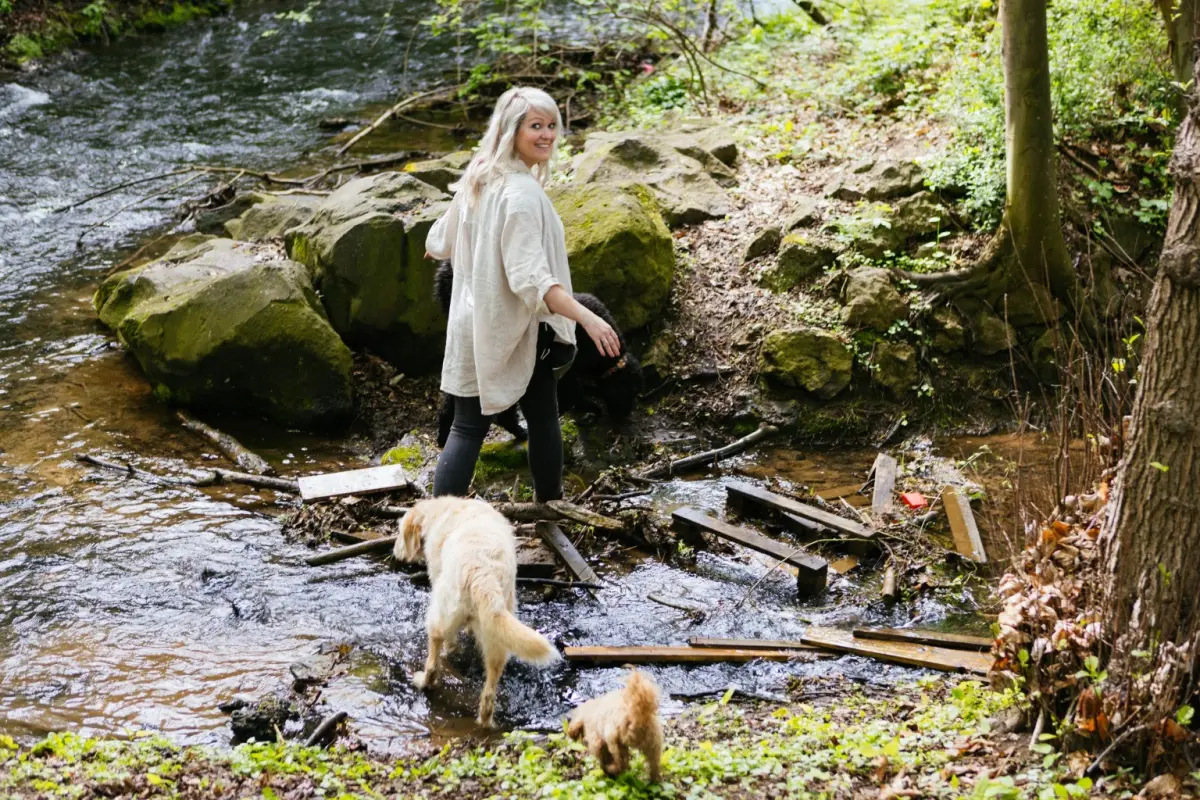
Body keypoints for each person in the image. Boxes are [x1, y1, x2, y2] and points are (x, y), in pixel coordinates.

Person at [424, 86, 620, 502]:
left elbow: (437, 242)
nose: (547, 134)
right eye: (536, 126)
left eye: (551, 125)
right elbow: (532, 281)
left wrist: (476, 252)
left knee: (469, 427)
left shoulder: (481, 175)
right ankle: (550, 507)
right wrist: (588, 318)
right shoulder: (520, 194)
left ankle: (437, 531)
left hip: (472, 321)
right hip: (514, 329)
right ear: (511, 130)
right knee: (539, 420)